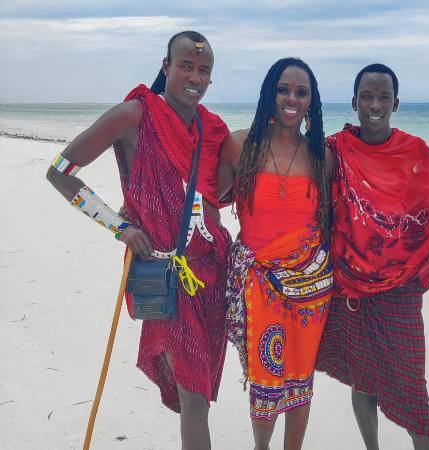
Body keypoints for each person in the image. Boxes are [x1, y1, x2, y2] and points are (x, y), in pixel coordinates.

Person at [46, 31, 231, 449]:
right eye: (186, 66)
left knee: (198, 392)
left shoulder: (212, 128)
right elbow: (59, 171)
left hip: (210, 277)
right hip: (161, 275)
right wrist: (118, 226)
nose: (195, 77)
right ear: (166, 67)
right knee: (194, 397)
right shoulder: (134, 115)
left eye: (204, 71)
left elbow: (224, 189)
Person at [316, 63, 429, 450]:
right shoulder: (334, 150)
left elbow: (427, 218)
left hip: (400, 289)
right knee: (363, 381)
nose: (374, 105)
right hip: (350, 285)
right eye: (367, 96)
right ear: (355, 101)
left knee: (411, 383)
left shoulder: (417, 152)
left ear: (396, 104)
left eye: (383, 98)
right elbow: (315, 205)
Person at [218, 57, 333, 450]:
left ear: (311, 102)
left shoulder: (322, 156)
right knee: (265, 381)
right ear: (269, 93)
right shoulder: (239, 146)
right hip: (259, 286)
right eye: (283, 89)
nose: (291, 98)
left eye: (302, 93)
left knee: (302, 378)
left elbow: (331, 221)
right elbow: (206, 198)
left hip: (311, 287)